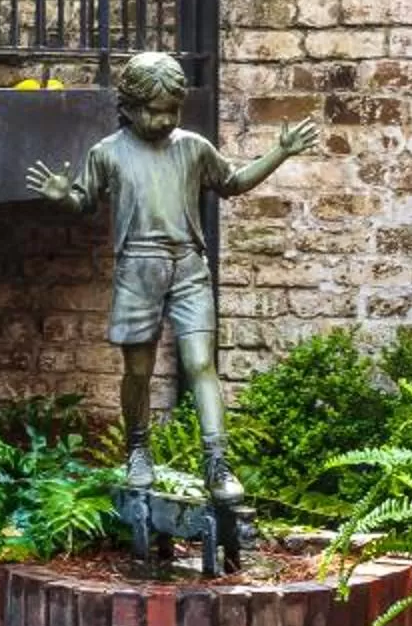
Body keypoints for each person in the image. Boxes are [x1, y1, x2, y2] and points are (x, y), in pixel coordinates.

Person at [26, 51, 318, 504]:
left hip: (188, 267)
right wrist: (64, 197)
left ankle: (217, 463)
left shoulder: (193, 148)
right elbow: (84, 201)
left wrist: (279, 152)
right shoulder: (107, 153)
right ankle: (138, 450)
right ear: (126, 106)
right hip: (137, 269)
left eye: (171, 111)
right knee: (138, 370)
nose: (162, 120)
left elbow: (233, 183)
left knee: (201, 364)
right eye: (152, 110)